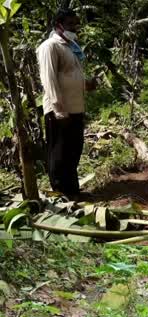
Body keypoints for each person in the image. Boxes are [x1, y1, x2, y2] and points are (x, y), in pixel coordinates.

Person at [36, 8, 97, 199]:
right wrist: (59, 109)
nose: (75, 27)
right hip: (60, 109)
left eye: (76, 23)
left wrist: (87, 84)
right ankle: (61, 193)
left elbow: (70, 75)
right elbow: (49, 80)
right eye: (71, 24)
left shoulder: (71, 46)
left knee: (74, 149)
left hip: (76, 107)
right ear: (58, 25)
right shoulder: (50, 47)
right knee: (59, 152)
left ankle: (72, 191)